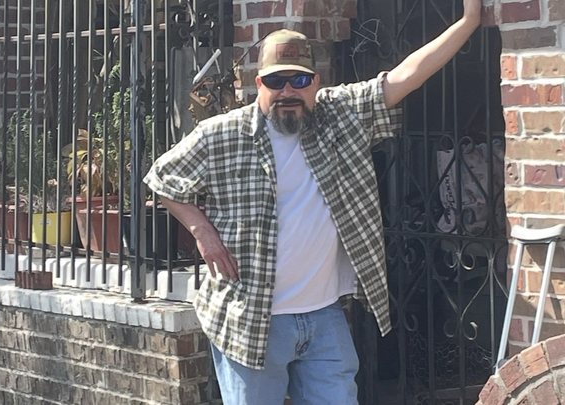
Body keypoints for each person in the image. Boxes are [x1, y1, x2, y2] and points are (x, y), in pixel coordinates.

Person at [143, 0, 481, 403]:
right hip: (251, 318)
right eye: (277, 81)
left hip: (324, 318)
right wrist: (202, 232)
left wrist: (469, 21)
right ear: (259, 83)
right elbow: (162, 179)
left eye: (299, 80)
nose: (288, 91)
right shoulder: (222, 135)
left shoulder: (339, 115)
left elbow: (406, 76)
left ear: (315, 83)